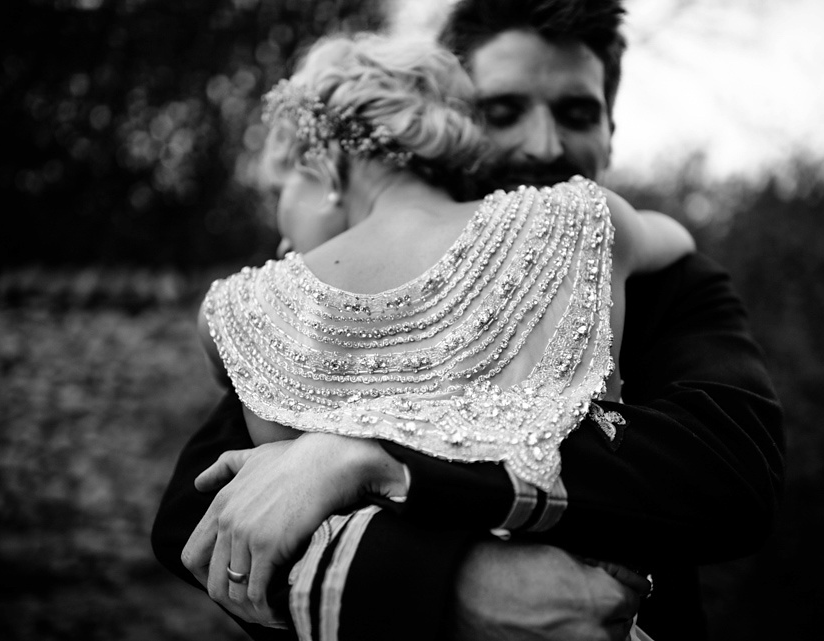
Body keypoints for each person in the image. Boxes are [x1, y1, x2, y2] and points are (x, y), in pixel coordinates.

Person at [152, 2, 784, 640]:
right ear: (452, 117)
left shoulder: (250, 311)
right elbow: (199, 513)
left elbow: (733, 479)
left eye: (576, 112)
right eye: (504, 112)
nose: (544, 145)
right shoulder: (599, 221)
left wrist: (363, 452)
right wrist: (464, 591)